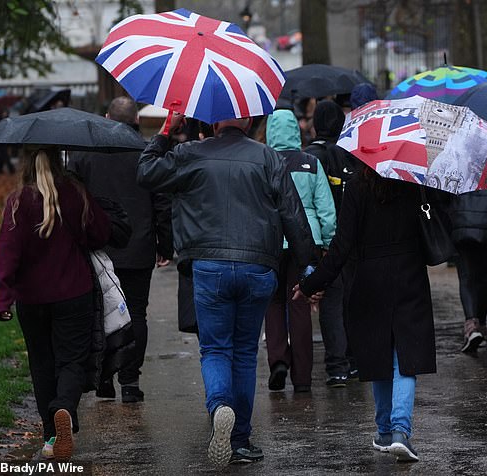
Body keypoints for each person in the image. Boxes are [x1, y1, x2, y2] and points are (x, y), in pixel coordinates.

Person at [137, 114, 316, 468]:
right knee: (246, 353)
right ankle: (240, 439)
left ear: (214, 122)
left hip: (209, 265)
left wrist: (163, 133)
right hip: (257, 265)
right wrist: (308, 266)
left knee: (216, 348)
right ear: (248, 120)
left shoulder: (191, 153)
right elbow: (292, 214)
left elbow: (147, 173)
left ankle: (220, 406)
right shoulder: (268, 157)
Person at [296, 164, 436, 463]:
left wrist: (311, 284)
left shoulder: (357, 185)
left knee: (378, 352)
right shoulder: (413, 181)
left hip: (369, 278)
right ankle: (400, 430)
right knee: (405, 357)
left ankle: (385, 430)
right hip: (409, 274)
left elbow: (341, 246)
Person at [0, 146, 112, 461]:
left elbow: (8, 252)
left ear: (27, 164)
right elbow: (100, 233)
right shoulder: (74, 193)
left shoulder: (19, 202)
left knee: (41, 363)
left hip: (31, 298)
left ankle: (50, 436)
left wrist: (2, 297)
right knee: (71, 361)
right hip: (74, 293)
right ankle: (64, 407)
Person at [68, 96, 173, 402]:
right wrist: (165, 244)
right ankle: (130, 381)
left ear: (106, 117)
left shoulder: (85, 154)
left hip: (98, 247)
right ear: (137, 122)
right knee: (136, 313)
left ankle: (103, 377)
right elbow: (162, 203)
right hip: (137, 246)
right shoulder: (147, 154)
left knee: (99, 312)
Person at [264, 109, 336, 393]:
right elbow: (326, 209)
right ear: (296, 130)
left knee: (273, 304)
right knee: (301, 306)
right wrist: (328, 243)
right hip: (307, 242)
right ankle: (303, 376)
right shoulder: (311, 163)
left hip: (271, 241)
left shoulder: (263, 162)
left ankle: (278, 360)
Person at [304, 99, 361, 385]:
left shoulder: (308, 157)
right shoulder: (347, 154)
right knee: (351, 300)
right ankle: (352, 360)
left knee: (329, 303)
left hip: (326, 241)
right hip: (351, 239)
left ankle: (336, 365)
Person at [449, 191, 487, 352]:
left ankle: (472, 326)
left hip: (460, 222)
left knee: (466, 278)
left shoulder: (457, 166)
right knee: (482, 277)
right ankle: (483, 326)